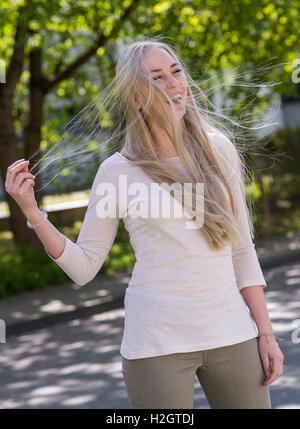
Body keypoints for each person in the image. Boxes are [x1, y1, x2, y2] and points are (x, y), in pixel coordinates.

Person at [5, 39, 285, 409]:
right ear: (136, 98)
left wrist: (265, 333)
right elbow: (84, 268)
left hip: (231, 333)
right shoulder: (116, 172)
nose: (174, 84)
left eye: (176, 71)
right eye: (157, 77)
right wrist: (33, 213)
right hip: (156, 344)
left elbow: (242, 249)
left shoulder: (220, 150)